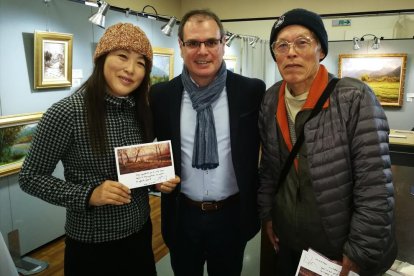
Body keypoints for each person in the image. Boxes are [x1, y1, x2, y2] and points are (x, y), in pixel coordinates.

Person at [19, 23, 178, 276]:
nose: (130, 69)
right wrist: (88, 195)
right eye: (122, 56)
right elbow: (30, 178)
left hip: (139, 234)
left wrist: (155, 181)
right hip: (92, 245)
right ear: (102, 58)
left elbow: (134, 172)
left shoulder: (141, 110)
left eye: (141, 63)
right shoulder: (67, 112)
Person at [258, 8, 397, 276]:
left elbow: (375, 187)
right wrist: (268, 216)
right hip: (290, 241)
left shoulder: (354, 98)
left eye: (302, 42)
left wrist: (358, 252)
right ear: (275, 55)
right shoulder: (270, 99)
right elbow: (269, 172)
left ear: (321, 50)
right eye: (282, 45)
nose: (291, 52)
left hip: (338, 248)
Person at [149, 9, 265, 276]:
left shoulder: (251, 92)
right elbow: (145, 145)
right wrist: (155, 178)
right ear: (181, 46)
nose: (203, 51)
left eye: (211, 42)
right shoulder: (162, 95)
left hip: (232, 217)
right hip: (181, 216)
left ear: (223, 43)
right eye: (193, 43)